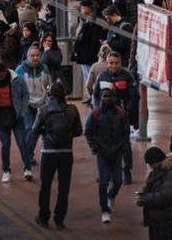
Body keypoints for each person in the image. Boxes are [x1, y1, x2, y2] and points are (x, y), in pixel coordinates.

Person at [31, 82, 83, 229]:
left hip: (48, 153)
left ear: (49, 94)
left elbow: (34, 130)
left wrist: (46, 133)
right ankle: (59, 219)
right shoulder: (72, 110)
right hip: (66, 153)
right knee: (64, 188)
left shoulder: (43, 110)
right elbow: (79, 131)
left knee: (45, 186)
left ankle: (43, 217)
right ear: (64, 95)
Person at [92, 51, 139, 185]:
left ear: (121, 63)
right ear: (107, 63)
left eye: (116, 63)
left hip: (121, 117)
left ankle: (126, 171)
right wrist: (97, 109)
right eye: (111, 63)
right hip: (104, 117)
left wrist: (126, 111)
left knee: (124, 145)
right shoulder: (102, 77)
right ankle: (104, 173)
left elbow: (134, 96)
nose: (113, 65)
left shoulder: (127, 77)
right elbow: (95, 95)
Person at [0, 62, 33, 183]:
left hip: (16, 115)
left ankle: (27, 168)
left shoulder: (17, 80)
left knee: (22, 142)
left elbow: (25, 94)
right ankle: (6, 170)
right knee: (5, 145)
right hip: (0, 117)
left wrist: (22, 111)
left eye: (1, 76)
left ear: (5, 72)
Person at [85, 87, 130, 223]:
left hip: (117, 152)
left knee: (118, 181)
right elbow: (88, 132)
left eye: (109, 97)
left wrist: (123, 147)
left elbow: (126, 133)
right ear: (101, 98)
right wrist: (95, 147)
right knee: (103, 182)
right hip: (102, 153)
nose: (107, 99)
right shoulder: (95, 114)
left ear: (114, 98)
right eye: (104, 96)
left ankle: (111, 196)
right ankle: (104, 210)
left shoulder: (121, 114)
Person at [136, 147, 172, 240]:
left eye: (150, 164)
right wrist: (143, 197)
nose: (150, 167)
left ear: (156, 162)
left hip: (168, 219)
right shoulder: (157, 171)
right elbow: (150, 188)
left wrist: (146, 198)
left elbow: (167, 196)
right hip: (156, 218)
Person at [16, 45, 52, 166]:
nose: (35, 58)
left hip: (42, 105)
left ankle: (28, 155)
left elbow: (49, 85)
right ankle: (27, 156)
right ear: (28, 57)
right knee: (30, 129)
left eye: (37, 55)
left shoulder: (45, 69)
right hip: (27, 105)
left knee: (37, 131)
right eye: (32, 55)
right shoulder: (20, 70)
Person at [72, 0, 105, 85]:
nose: (81, 10)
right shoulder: (85, 21)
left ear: (89, 9)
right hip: (84, 56)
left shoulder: (96, 23)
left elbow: (94, 41)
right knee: (87, 78)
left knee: (92, 80)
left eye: (83, 8)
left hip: (90, 57)